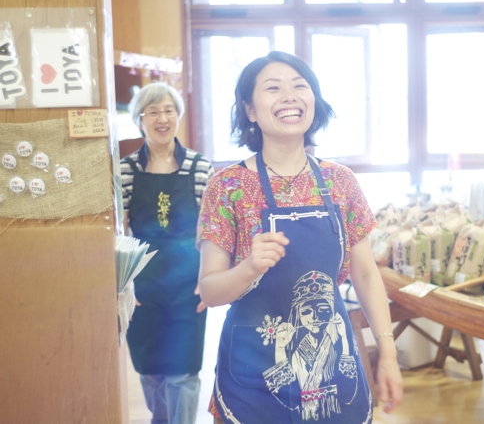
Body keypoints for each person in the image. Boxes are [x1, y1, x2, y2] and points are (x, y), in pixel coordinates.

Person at [197, 51, 403, 423]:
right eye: (273, 88)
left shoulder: (341, 181)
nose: (290, 96)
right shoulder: (227, 187)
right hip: (253, 375)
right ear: (250, 110)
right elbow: (210, 291)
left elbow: (366, 274)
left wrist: (387, 353)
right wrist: (249, 267)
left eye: (299, 86)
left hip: (332, 370)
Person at [121, 82, 214, 424]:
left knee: (183, 373)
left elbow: (213, 230)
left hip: (189, 283)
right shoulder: (126, 170)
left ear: (178, 116)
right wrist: (123, 285)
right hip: (143, 286)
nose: (162, 118)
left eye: (169, 111)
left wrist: (209, 279)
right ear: (140, 120)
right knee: (151, 372)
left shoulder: (200, 167)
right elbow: (118, 232)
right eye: (153, 112)